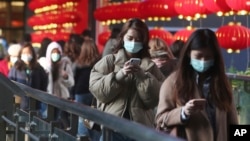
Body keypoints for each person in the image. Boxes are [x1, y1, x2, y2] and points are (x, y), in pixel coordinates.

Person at [89, 18, 165, 141]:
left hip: (140, 130)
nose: (134, 42)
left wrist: (142, 76)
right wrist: (119, 75)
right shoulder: (110, 61)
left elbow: (155, 99)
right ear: (123, 37)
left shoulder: (150, 67)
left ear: (144, 42)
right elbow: (97, 90)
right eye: (130, 38)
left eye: (138, 40)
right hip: (112, 127)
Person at [155, 29, 238, 141]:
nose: (203, 61)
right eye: (198, 56)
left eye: (208, 57)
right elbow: (160, 119)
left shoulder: (221, 82)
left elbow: (233, 121)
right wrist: (184, 112)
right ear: (189, 54)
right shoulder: (173, 82)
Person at [72, 39, 101, 141]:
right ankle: (95, 138)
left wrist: (72, 96)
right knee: (95, 118)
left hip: (80, 93)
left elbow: (74, 81)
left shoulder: (78, 64)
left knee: (82, 118)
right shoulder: (99, 63)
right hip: (95, 93)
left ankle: (83, 136)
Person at [8, 43, 48, 114]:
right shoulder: (16, 68)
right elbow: (10, 84)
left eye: (28, 52)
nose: (26, 55)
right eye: (24, 53)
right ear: (21, 54)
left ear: (32, 53)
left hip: (36, 106)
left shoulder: (38, 69)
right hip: (20, 106)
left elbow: (44, 84)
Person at [46, 41, 74, 129]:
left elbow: (71, 83)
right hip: (49, 99)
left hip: (62, 99)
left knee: (63, 121)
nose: (55, 55)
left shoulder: (65, 65)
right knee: (51, 121)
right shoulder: (46, 66)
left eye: (57, 53)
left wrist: (66, 77)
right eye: (53, 53)